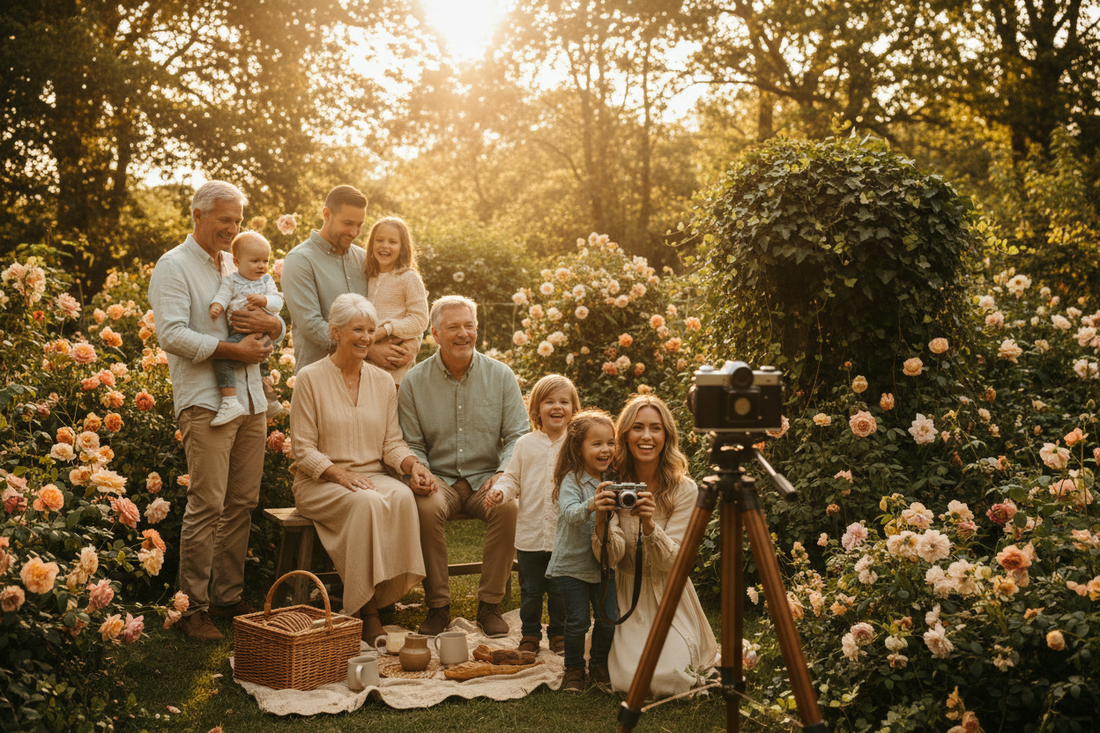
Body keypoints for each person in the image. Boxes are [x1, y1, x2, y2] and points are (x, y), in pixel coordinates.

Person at [148, 181, 284, 641]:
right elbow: (171, 334)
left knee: (242, 503)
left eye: (238, 220)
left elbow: (274, 320)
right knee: (207, 504)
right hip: (206, 401)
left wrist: (274, 325)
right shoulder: (174, 266)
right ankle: (193, 608)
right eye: (224, 219)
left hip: (250, 399)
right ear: (197, 216)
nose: (232, 228)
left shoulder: (236, 261)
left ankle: (227, 597)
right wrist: (234, 350)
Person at [290, 293, 433, 642]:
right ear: (335, 332)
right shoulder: (310, 379)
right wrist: (339, 474)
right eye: (358, 329)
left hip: (370, 475)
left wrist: (413, 465)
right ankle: (365, 612)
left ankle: (382, 596)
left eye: (371, 330)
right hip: (319, 481)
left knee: (401, 496)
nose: (367, 338)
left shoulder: (383, 381)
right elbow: (302, 449)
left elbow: (391, 444)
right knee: (366, 503)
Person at [398, 295, 528, 637]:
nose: (463, 334)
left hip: (487, 477)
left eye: (469, 326)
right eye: (453, 327)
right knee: (426, 508)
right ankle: (438, 607)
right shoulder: (414, 381)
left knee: (508, 508)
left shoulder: (501, 376)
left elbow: (518, 435)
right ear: (436, 334)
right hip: (439, 478)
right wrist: (419, 470)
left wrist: (503, 474)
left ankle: (489, 605)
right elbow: (412, 442)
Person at [593, 394, 718, 697]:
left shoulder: (684, 489)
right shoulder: (612, 482)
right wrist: (600, 518)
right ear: (625, 435)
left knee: (672, 677)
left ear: (667, 436)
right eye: (637, 427)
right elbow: (609, 559)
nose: (646, 436)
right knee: (629, 680)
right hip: (625, 593)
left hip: (668, 591)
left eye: (655, 428)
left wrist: (649, 525)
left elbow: (674, 562)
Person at [484, 374, 579, 655]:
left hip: (564, 535)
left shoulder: (576, 444)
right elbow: (512, 477)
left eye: (564, 401)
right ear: (537, 409)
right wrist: (501, 490)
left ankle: (559, 634)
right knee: (531, 591)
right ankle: (530, 634)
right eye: (549, 401)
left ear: (574, 409)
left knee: (560, 591)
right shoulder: (525, 445)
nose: (557, 407)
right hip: (530, 536)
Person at [281, 185, 414, 374]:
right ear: (327, 214)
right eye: (348, 223)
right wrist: (368, 349)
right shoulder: (300, 260)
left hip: (364, 379)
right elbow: (312, 325)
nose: (354, 232)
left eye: (359, 225)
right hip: (319, 378)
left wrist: (411, 345)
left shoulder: (365, 258)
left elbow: (396, 307)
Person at [546, 409, 620, 693]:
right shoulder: (572, 480)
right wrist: (593, 503)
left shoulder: (613, 478)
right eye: (597, 443)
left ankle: (599, 665)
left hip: (604, 563)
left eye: (610, 443)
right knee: (576, 622)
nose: (606, 449)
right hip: (571, 565)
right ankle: (574, 669)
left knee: (608, 619)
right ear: (579, 448)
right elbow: (568, 513)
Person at [207, 231, 283, 425]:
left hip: (259, 331)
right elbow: (223, 295)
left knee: (227, 362)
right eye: (255, 261)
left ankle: (231, 401)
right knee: (244, 360)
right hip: (239, 333)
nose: (262, 266)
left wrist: (264, 300)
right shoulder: (232, 280)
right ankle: (235, 400)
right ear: (238, 261)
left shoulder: (266, 281)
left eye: (265, 261)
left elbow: (277, 302)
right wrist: (217, 306)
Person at [363, 216, 429, 385]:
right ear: (371, 244)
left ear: (403, 248)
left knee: (392, 408)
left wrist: (387, 329)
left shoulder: (408, 277)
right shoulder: (367, 276)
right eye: (379, 240)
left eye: (392, 242)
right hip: (365, 363)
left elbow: (420, 319)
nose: (385, 245)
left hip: (395, 364)